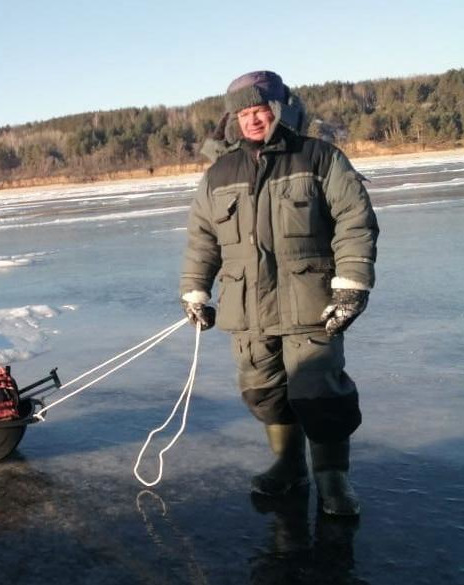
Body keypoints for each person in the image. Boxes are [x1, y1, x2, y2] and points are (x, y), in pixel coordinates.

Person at [179, 71, 379, 516]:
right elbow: (202, 240)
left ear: (280, 109)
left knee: (319, 391)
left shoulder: (319, 157)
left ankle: (333, 480)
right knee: (262, 389)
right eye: (243, 114)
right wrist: (195, 290)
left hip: (309, 302)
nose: (252, 120)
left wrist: (351, 285)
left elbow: (355, 222)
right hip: (246, 307)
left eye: (260, 110)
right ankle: (288, 466)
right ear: (233, 120)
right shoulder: (218, 173)